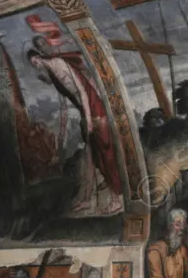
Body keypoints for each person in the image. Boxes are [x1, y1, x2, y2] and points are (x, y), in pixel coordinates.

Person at [27, 46, 122, 215]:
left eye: (34, 61)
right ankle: (86, 199)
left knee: (105, 154)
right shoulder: (51, 72)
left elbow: (82, 91)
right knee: (92, 156)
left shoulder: (58, 63)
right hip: (86, 110)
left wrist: (87, 116)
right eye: (33, 64)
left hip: (93, 109)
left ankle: (115, 200)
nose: (35, 65)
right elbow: (68, 89)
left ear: (38, 56)